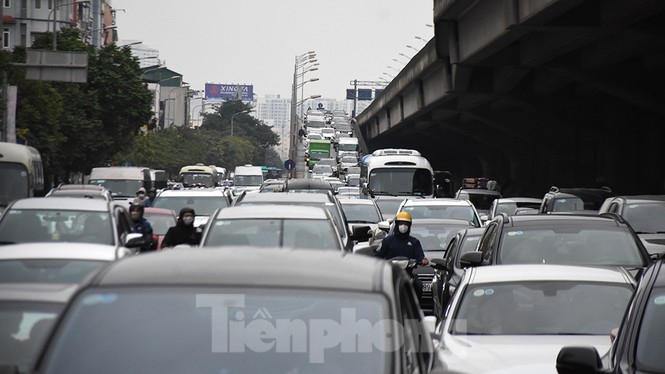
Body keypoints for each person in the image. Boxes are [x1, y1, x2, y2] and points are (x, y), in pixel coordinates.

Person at [375, 211, 429, 299]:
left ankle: (415, 308)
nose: (403, 226)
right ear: (396, 224)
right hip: (390, 274)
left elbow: (421, 257)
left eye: (406, 224)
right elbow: (378, 256)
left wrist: (422, 261)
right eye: (401, 223)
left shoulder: (414, 242)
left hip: (407, 274)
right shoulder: (387, 241)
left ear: (409, 226)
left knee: (418, 285)